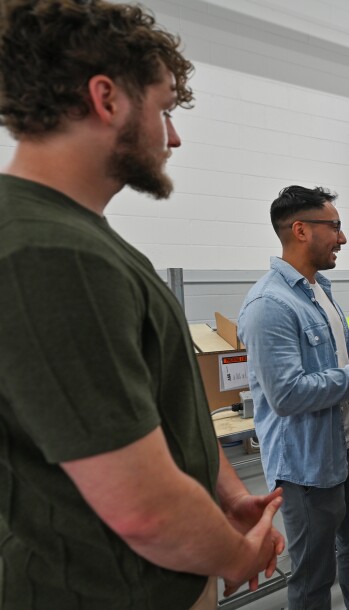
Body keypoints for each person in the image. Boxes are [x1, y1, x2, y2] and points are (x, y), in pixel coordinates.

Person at [0, 1, 285, 608]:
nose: (173, 137)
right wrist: (240, 555)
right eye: (163, 110)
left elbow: (158, 409)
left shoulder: (82, 238)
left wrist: (229, 494)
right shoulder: (51, 254)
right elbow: (144, 509)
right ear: (107, 99)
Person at [237, 186, 349, 610]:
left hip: (347, 450)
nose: (343, 237)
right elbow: (288, 393)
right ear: (300, 230)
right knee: (313, 576)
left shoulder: (319, 289)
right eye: (334, 227)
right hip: (306, 469)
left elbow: (337, 356)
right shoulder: (269, 305)